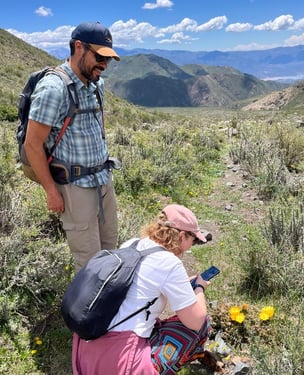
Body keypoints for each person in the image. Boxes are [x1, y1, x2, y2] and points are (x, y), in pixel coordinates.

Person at [23, 22, 120, 270]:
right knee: (89, 263)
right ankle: (88, 309)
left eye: (108, 59)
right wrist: (51, 192)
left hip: (103, 180)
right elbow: (32, 144)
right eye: (99, 57)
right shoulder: (53, 88)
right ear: (79, 47)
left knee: (111, 252)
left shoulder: (97, 84)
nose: (104, 65)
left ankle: (110, 305)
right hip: (75, 188)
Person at [72, 204, 212, 375]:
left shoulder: (132, 244)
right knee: (202, 323)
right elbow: (196, 321)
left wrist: (183, 284)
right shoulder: (169, 263)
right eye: (194, 240)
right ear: (182, 236)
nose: (192, 245)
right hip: (120, 361)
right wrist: (199, 288)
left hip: (86, 351)